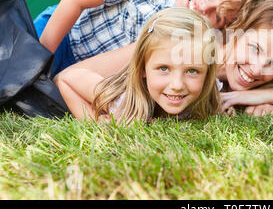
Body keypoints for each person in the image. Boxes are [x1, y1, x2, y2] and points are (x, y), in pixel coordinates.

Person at [62, 0, 273, 116]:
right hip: (81, 54)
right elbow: (69, 76)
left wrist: (265, 96)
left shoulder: (266, 79)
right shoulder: (185, 45)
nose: (256, 69)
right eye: (254, 48)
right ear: (236, 32)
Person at [34, 0, 264, 76]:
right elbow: (76, 0)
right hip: (62, 35)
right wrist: (37, 60)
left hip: (90, 74)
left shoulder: (194, 40)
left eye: (219, 16)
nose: (205, 6)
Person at [53, 8, 221, 124]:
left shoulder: (210, 91)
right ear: (142, 68)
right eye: (164, 68)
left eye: (192, 71)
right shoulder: (119, 100)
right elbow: (64, 79)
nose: (177, 85)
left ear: (207, 73)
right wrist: (94, 123)